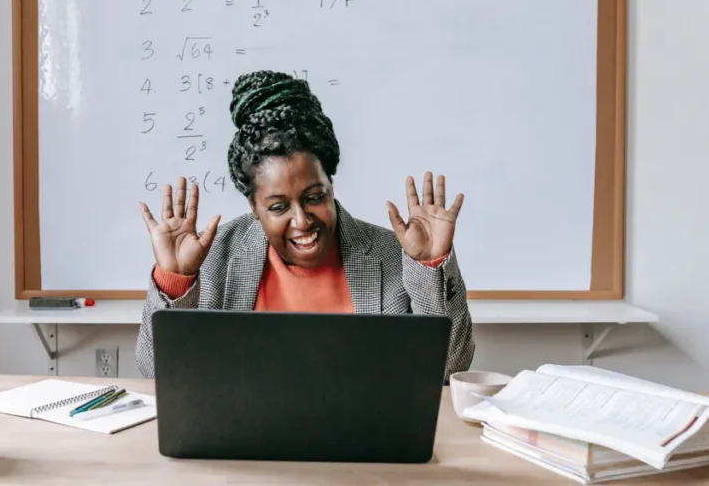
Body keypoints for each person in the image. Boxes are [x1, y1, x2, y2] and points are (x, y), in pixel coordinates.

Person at [135, 70, 474, 382]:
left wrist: (430, 266)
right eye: (279, 206)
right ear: (254, 207)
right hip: (246, 443)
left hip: (360, 440)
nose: (301, 221)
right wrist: (176, 282)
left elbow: (448, 371)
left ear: (331, 185)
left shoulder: (392, 255)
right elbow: (156, 375)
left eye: (314, 197)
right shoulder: (213, 258)